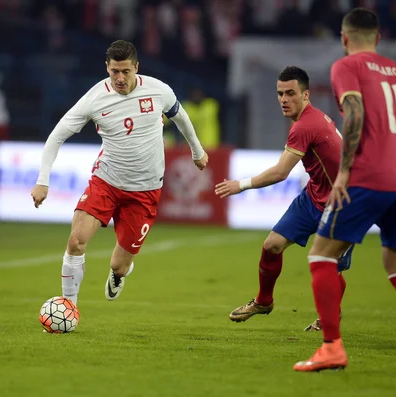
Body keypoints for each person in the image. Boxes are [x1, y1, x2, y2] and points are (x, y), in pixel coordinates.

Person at [293, 8, 396, 376]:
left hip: (367, 176)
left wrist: (344, 173)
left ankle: (331, 349)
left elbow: (354, 115)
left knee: (321, 256)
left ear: (344, 38)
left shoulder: (347, 67)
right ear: (379, 38)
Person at [31, 40, 208, 307]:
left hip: (145, 190)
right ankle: (69, 308)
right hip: (106, 182)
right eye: (115, 71)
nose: (120, 78)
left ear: (136, 67)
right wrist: (42, 180)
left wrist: (197, 151)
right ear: (107, 68)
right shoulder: (94, 98)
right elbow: (56, 136)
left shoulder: (158, 91)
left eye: (126, 71)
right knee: (76, 242)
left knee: (119, 265)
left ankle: (120, 273)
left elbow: (181, 117)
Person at [215, 66, 353, 330]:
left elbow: (280, 172)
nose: (283, 99)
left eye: (290, 93)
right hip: (314, 196)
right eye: (280, 93)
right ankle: (263, 301)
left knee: (328, 266)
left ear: (306, 95)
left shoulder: (305, 125)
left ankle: (330, 318)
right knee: (272, 246)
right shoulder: (308, 121)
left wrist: (240, 185)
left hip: (343, 203)